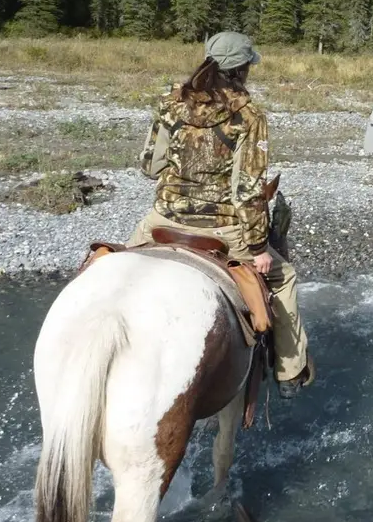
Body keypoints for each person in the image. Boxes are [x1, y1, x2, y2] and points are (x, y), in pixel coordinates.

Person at [130, 31, 313, 398]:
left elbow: (150, 165)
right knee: (283, 278)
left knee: (112, 265)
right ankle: (290, 371)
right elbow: (247, 190)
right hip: (223, 228)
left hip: (163, 219)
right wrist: (259, 246)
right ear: (242, 68)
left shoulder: (171, 102)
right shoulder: (249, 115)